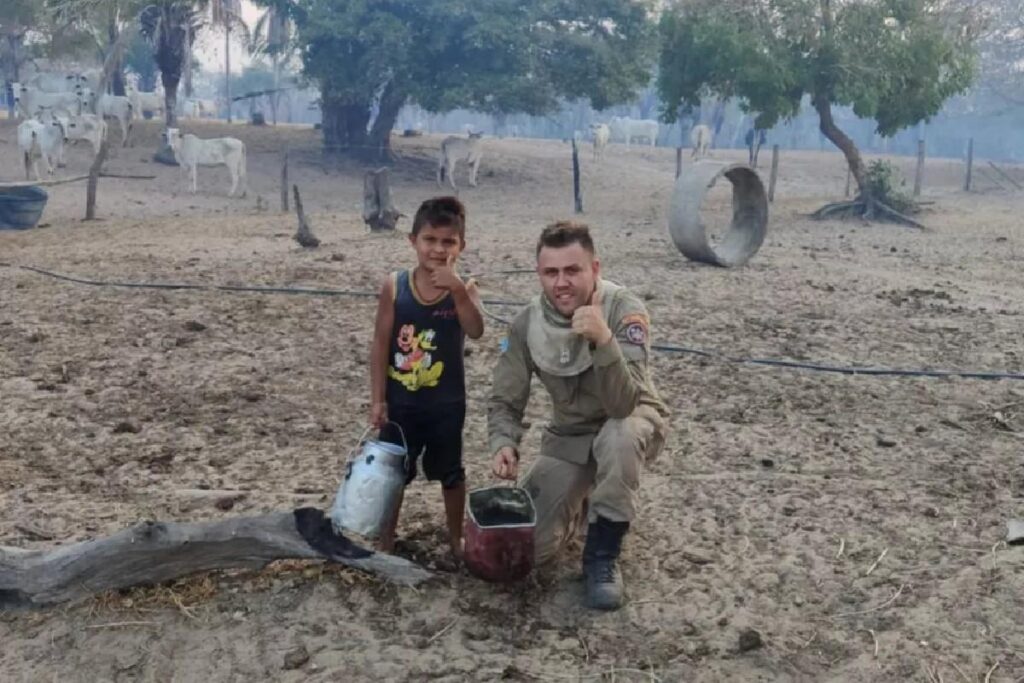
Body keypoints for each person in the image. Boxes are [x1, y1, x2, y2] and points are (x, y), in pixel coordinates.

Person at [488, 221, 669, 610]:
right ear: (539, 274)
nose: (562, 283)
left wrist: (604, 341)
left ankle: (602, 553)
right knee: (528, 552)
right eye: (551, 273)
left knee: (618, 437)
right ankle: (583, 503)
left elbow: (623, 404)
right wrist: (504, 442)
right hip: (570, 436)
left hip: (629, 420)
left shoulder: (625, 310)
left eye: (573, 270)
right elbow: (505, 398)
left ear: (595, 269)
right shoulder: (526, 324)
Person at [369, 196, 484, 558]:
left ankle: (455, 539)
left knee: (451, 472)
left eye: (448, 242)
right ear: (413, 241)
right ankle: (386, 540)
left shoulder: (465, 289)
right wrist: (378, 398)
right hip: (402, 403)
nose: (438, 249)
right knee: (393, 473)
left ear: (461, 246)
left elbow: (476, 330)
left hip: (446, 403)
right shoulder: (395, 286)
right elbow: (380, 344)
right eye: (430, 240)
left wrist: (459, 290)